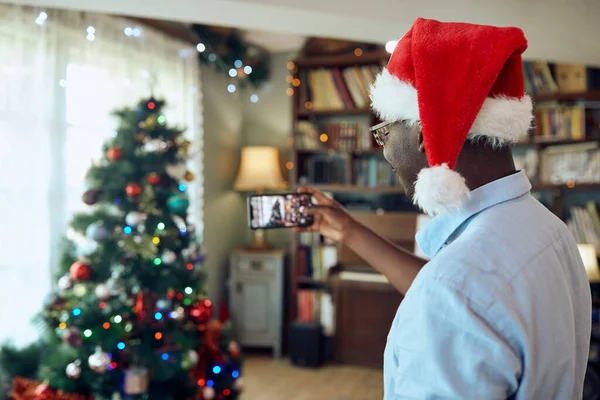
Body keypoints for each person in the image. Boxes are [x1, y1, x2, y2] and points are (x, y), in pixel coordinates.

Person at [297, 18, 591, 399]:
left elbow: (452, 291)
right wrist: (349, 230)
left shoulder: (456, 288)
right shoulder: (550, 230)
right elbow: (458, 292)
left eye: (385, 132)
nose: (384, 150)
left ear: (422, 134)